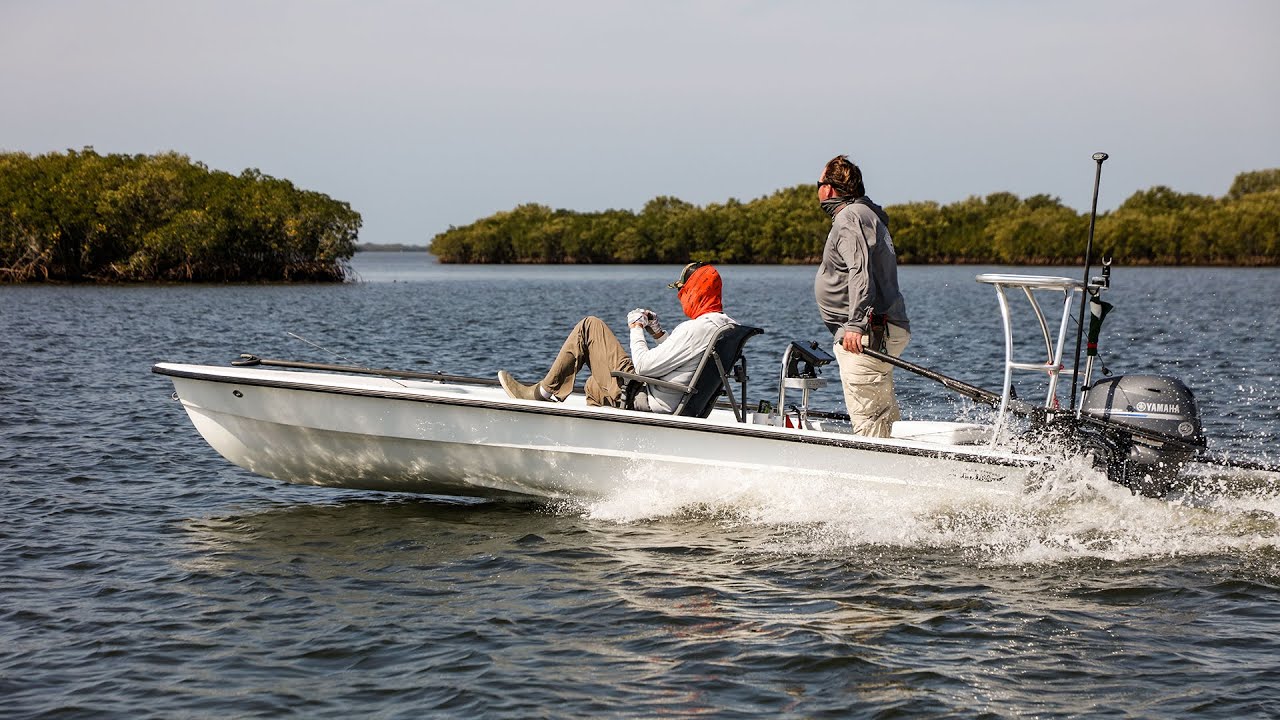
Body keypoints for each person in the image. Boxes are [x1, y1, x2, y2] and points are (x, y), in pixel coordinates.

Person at [497, 262, 735, 413]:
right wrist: (658, 334)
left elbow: (642, 366)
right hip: (680, 400)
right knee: (593, 384)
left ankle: (540, 394)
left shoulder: (694, 328)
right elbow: (688, 357)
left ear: (696, 291)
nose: (681, 297)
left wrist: (636, 327)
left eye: (683, 291)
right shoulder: (724, 325)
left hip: (649, 401)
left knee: (590, 326)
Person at [814, 154, 911, 438]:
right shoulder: (867, 214)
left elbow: (860, 271)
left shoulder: (848, 218)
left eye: (818, 184)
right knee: (883, 419)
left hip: (865, 335)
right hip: (882, 329)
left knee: (869, 424)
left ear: (828, 189)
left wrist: (855, 324)